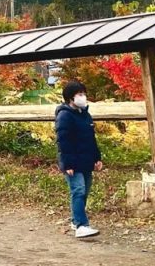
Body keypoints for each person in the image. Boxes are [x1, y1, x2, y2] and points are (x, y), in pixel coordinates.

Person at [55, 80, 103, 239]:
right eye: (79, 94)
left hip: (86, 160)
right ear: (70, 98)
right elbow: (63, 140)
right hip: (72, 162)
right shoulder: (64, 115)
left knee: (84, 192)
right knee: (78, 190)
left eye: (84, 93)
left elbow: (91, 138)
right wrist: (67, 163)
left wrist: (97, 158)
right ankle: (82, 226)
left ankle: (76, 221)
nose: (83, 97)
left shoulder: (85, 114)